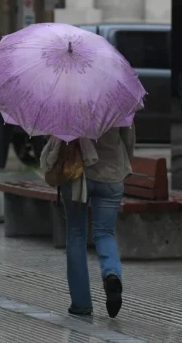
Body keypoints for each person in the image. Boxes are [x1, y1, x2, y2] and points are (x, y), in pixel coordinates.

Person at [41, 125, 135, 319]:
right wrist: (123, 165)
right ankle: (112, 274)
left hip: (76, 175)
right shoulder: (116, 99)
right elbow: (128, 139)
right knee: (105, 232)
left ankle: (81, 304)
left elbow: (53, 137)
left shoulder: (65, 98)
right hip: (112, 173)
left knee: (76, 233)